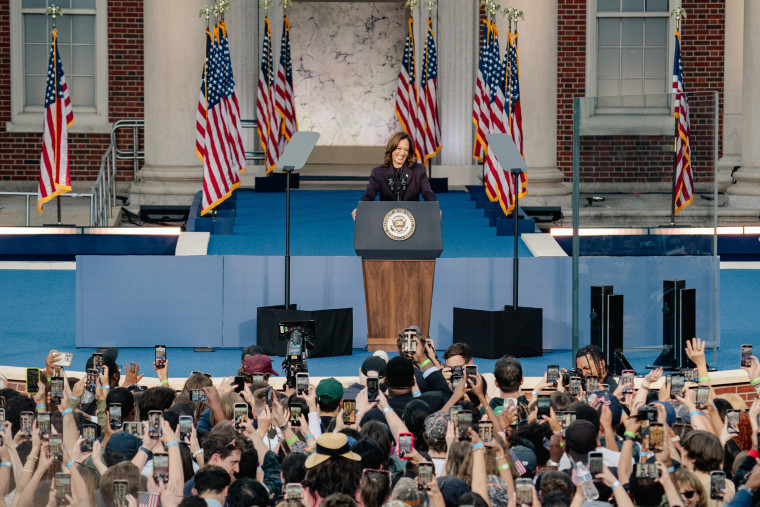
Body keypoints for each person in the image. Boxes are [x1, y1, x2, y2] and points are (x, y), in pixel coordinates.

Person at [351, 132, 436, 220]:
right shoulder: (378, 172)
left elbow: (427, 193)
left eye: (406, 150)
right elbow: (369, 195)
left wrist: (434, 207)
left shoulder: (419, 170)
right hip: (387, 219)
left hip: (413, 218)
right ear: (391, 149)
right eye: (398, 148)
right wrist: (360, 208)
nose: (402, 153)